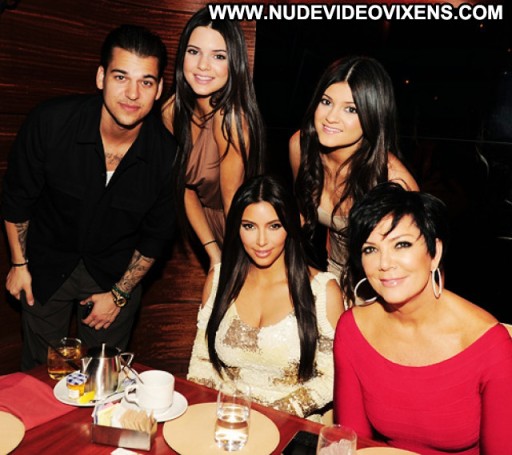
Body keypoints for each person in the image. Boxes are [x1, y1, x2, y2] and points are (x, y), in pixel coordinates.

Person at [1, 24, 177, 370]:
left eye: (146, 82)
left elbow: (155, 238)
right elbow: (17, 197)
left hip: (115, 276)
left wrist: (120, 294)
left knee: (104, 377)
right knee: (40, 375)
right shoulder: (51, 123)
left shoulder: (168, 157)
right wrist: (19, 265)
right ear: (101, 77)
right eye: (121, 77)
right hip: (45, 265)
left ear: (158, 90)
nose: (132, 93)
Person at [334, 182, 512, 454]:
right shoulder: (353, 329)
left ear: (435, 253)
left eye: (401, 245)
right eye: (370, 249)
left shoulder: (489, 346)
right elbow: (352, 442)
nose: (384, 263)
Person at [187, 175, 343, 421]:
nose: (261, 241)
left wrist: (268, 416)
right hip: (227, 418)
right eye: (249, 226)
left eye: (274, 226)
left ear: (292, 225)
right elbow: (201, 362)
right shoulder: (219, 280)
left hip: (291, 424)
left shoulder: (322, 291)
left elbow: (331, 377)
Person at [289, 56, 418, 290]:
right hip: (331, 274)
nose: (331, 117)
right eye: (326, 102)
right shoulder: (301, 147)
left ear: (372, 115)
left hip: (382, 285)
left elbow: (418, 264)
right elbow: (301, 215)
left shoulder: (394, 181)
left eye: (350, 109)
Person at [161, 7, 265, 270]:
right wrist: (212, 251)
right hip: (202, 224)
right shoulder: (171, 111)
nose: (202, 65)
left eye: (218, 56)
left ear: (234, 63)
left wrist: (233, 261)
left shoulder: (230, 120)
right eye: (193, 51)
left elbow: (233, 203)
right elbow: (183, 188)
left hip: (242, 227)